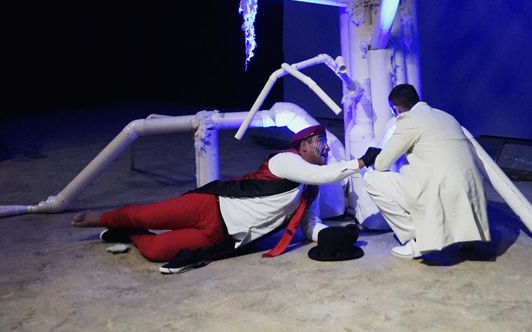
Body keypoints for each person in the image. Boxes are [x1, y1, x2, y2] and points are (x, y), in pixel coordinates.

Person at [72, 124, 381, 274]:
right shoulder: (285, 160)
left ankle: (127, 234)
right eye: (321, 143)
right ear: (303, 145)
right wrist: (361, 161)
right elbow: (324, 175)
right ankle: (101, 219)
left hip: (222, 236)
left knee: (155, 250)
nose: (327, 149)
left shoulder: (308, 187)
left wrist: (327, 236)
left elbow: (308, 224)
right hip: (211, 205)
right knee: (148, 215)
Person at [364, 84, 490, 260]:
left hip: (442, 190)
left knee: (372, 178)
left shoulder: (409, 120)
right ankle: (467, 236)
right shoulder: (446, 116)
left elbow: (382, 164)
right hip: (471, 189)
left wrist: (372, 158)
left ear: (396, 108)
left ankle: (418, 240)